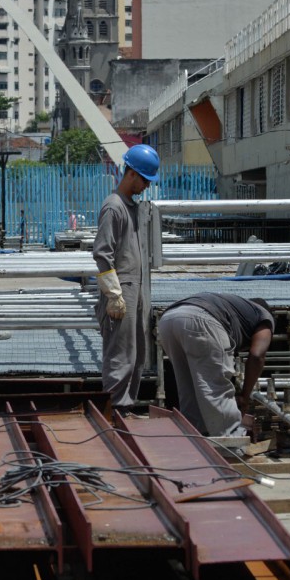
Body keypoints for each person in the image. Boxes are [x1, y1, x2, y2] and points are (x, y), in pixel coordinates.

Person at [92, 144, 160, 412]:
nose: (146, 186)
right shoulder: (114, 207)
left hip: (137, 291)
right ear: (131, 173)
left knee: (137, 354)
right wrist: (113, 295)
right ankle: (114, 411)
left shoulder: (133, 208)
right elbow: (102, 254)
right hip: (122, 292)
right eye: (144, 179)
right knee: (121, 355)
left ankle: (126, 407)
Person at [157, 293, 274, 437]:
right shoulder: (264, 317)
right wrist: (244, 396)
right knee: (215, 387)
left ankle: (196, 436)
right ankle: (231, 442)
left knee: (188, 387)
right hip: (201, 319)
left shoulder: (236, 308)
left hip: (168, 320)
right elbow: (257, 355)